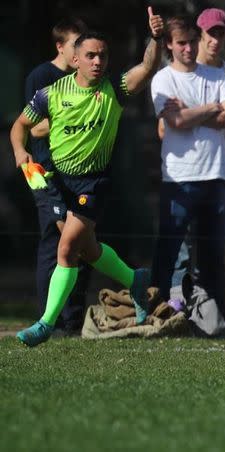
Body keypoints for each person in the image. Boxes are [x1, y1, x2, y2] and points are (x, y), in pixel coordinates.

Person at [10, 8, 166, 346]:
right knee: (85, 249)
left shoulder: (114, 90)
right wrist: (21, 154)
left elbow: (147, 68)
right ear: (75, 60)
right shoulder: (51, 92)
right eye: (90, 56)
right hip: (51, 179)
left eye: (103, 55)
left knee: (66, 249)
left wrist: (155, 39)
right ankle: (135, 279)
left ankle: (46, 324)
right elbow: (20, 126)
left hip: (92, 184)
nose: (98, 61)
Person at [159, 8, 225, 301]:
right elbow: (166, 126)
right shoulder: (176, 72)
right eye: (211, 33)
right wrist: (212, 112)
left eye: (221, 33)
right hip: (182, 171)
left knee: (212, 246)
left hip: (216, 170)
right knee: (179, 247)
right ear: (199, 35)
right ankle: (175, 305)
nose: (216, 39)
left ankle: (210, 311)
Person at [24, 17, 89, 335]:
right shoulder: (42, 76)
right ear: (60, 46)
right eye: (76, 43)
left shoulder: (85, 80)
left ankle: (73, 320)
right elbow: (33, 127)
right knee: (56, 242)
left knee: (79, 243)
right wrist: (74, 113)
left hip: (77, 174)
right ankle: (50, 319)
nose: (83, 51)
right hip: (40, 172)